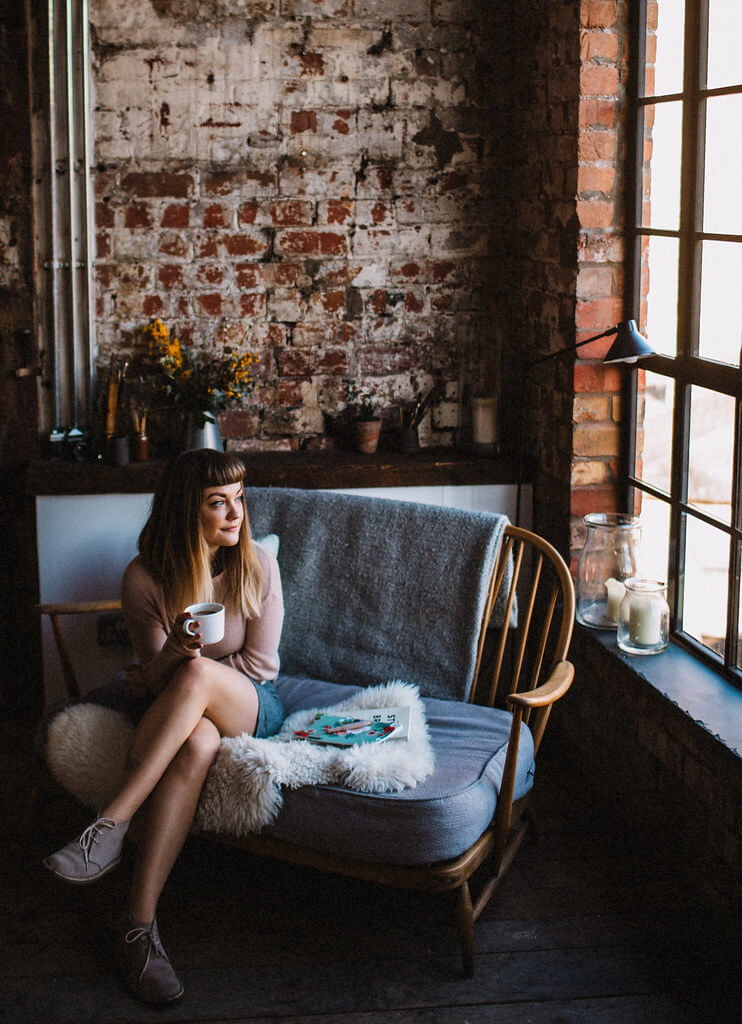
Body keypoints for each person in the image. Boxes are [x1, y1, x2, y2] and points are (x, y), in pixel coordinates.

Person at [44, 449, 285, 1005]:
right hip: (183, 713)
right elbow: (157, 689)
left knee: (198, 681)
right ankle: (138, 927)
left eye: (240, 499)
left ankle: (106, 828)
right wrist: (173, 654)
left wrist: (188, 670)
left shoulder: (258, 565)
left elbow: (261, 667)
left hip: (254, 705)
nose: (236, 514)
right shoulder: (144, 579)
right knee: (196, 739)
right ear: (184, 511)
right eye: (217, 503)